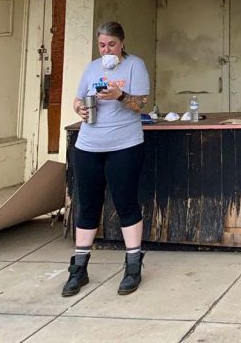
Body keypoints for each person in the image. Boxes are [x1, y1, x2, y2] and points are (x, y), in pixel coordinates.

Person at [62, 21, 150, 296]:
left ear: (122, 43)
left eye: (111, 44)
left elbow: (141, 104)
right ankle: (79, 268)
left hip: (124, 144)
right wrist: (80, 110)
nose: (106, 49)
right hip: (88, 145)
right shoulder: (91, 68)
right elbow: (77, 101)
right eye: (102, 44)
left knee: (125, 203)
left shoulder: (135, 65)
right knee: (87, 205)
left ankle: (133, 265)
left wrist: (120, 95)